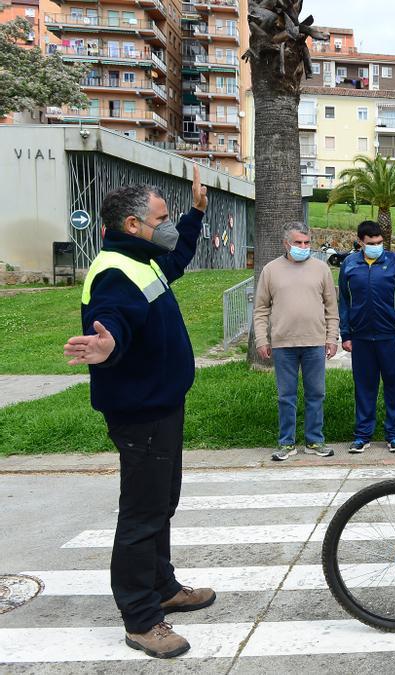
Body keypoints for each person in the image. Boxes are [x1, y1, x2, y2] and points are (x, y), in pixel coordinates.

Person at [63, 166, 215, 659]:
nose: (167, 226)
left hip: (163, 403)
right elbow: (114, 324)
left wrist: (194, 214)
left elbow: (181, 255)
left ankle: (163, 584)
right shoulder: (113, 273)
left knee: (162, 501)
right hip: (141, 411)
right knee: (142, 514)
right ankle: (142, 618)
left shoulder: (143, 260)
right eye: (162, 217)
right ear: (132, 224)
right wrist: (108, 347)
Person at [253, 222, 339, 461]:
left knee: (316, 394)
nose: (303, 247)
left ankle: (314, 440)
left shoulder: (322, 269)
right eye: (298, 243)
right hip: (283, 344)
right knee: (286, 396)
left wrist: (331, 338)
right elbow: (260, 309)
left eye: (307, 242)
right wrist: (262, 339)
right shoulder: (270, 270)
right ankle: (286, 442)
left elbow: (332, 308)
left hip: (315, 342)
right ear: (286, 243)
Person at [338, 220, 395, 454]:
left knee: (394, 385)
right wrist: (346, 334)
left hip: (390, 337)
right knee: (364, 387)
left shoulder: (394, 262)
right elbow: (344, 301)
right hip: (360, 338)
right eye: (371, 243)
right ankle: (362, 435)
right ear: (361, 241)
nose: (377, 246)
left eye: (380, 242)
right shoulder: (349, 265)